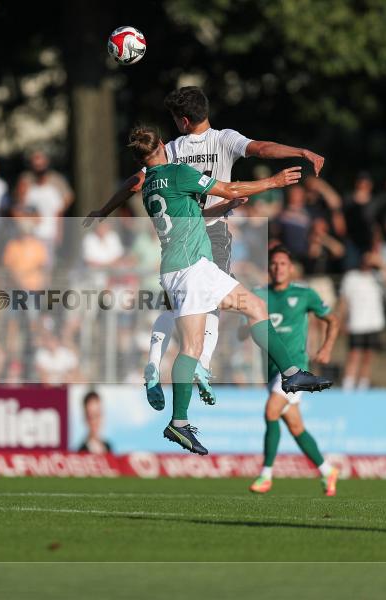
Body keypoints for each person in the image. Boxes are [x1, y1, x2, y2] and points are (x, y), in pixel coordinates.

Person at [85, 86, 325, 408]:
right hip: (209, 233)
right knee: (218, 306)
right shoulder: (225, 139)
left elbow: (136, 182)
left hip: (175, 242)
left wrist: (105, 209)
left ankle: (155, 364)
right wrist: (300, 153)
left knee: (175, 306)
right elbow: (263, 149)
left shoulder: (170, 149)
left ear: (183, 120)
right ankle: (203, 365)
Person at [126, 125, 331, 455]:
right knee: (191, 347)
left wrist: (222, 207)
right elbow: (228, 187)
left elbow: (190, 214)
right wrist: (272, 183)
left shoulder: (149, 184)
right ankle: (178, 423)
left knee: (255, 307)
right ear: (163, 145)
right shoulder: (178, 173)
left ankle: (291, 373)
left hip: (195, 266)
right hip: (188, 270)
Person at [243, 246, 339, 496]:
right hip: (272, 370)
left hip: (295, 368)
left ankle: (265, 474)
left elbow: (332, 320)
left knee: (271, 411)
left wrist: (327, 347)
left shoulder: (304, 294)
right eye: (274, 264)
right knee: (295, 426)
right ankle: (328, 470)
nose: (278, 268)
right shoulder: (259, 294)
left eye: (283, 263)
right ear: (269, 268)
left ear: (291, 268)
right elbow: (246, 325)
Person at [337, 250, 386, 390]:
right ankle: (347, 386)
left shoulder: (378, 277)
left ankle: (362, 387)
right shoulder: (351, 277)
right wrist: (341, 320)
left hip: (373, 324)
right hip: (356, 323)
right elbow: (343, 301)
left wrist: (381, 263)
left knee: (368, 357)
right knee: (353, 356)